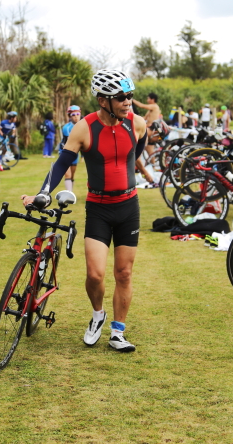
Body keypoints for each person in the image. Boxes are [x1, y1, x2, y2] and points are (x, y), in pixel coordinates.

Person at [21, 69, 148, 353]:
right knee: (95, 274)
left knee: (124, 273)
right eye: (121, 97)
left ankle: (118, 331)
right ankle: (98, 314)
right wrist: (42, 193)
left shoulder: (137, 124)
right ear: (103, 100)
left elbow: (134, 154)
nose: (128, 102)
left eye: (130, 96)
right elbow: (61, 163)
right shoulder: (84, 128)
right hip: (99, 208)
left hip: (129, 206)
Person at [60, 105, 82, 191]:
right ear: (69, 116)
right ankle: (68, 194)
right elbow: (72, 143)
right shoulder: (67, 128)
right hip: (65, 152)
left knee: (72, 175)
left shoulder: (83, 126)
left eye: (78, 114)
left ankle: (70, 193)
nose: (76, 116)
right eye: (73, 114)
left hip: (75, 154)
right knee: (68, 174)